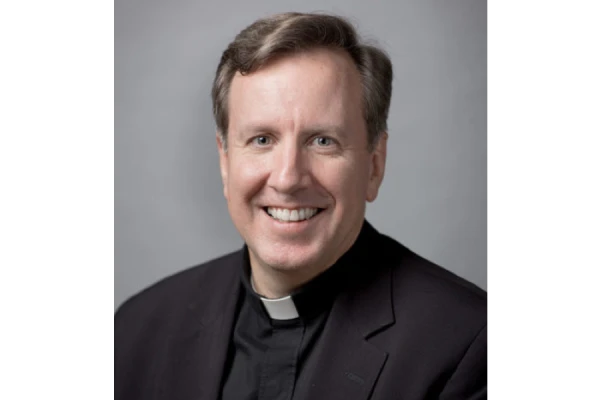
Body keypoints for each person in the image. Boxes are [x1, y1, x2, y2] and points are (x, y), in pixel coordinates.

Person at [112, 11, 488, 400]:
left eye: (323, 141)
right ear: (225, 161)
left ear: (374, 165)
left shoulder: (466, 346)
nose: (288, 178)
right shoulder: (136, 330)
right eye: (262, 139)